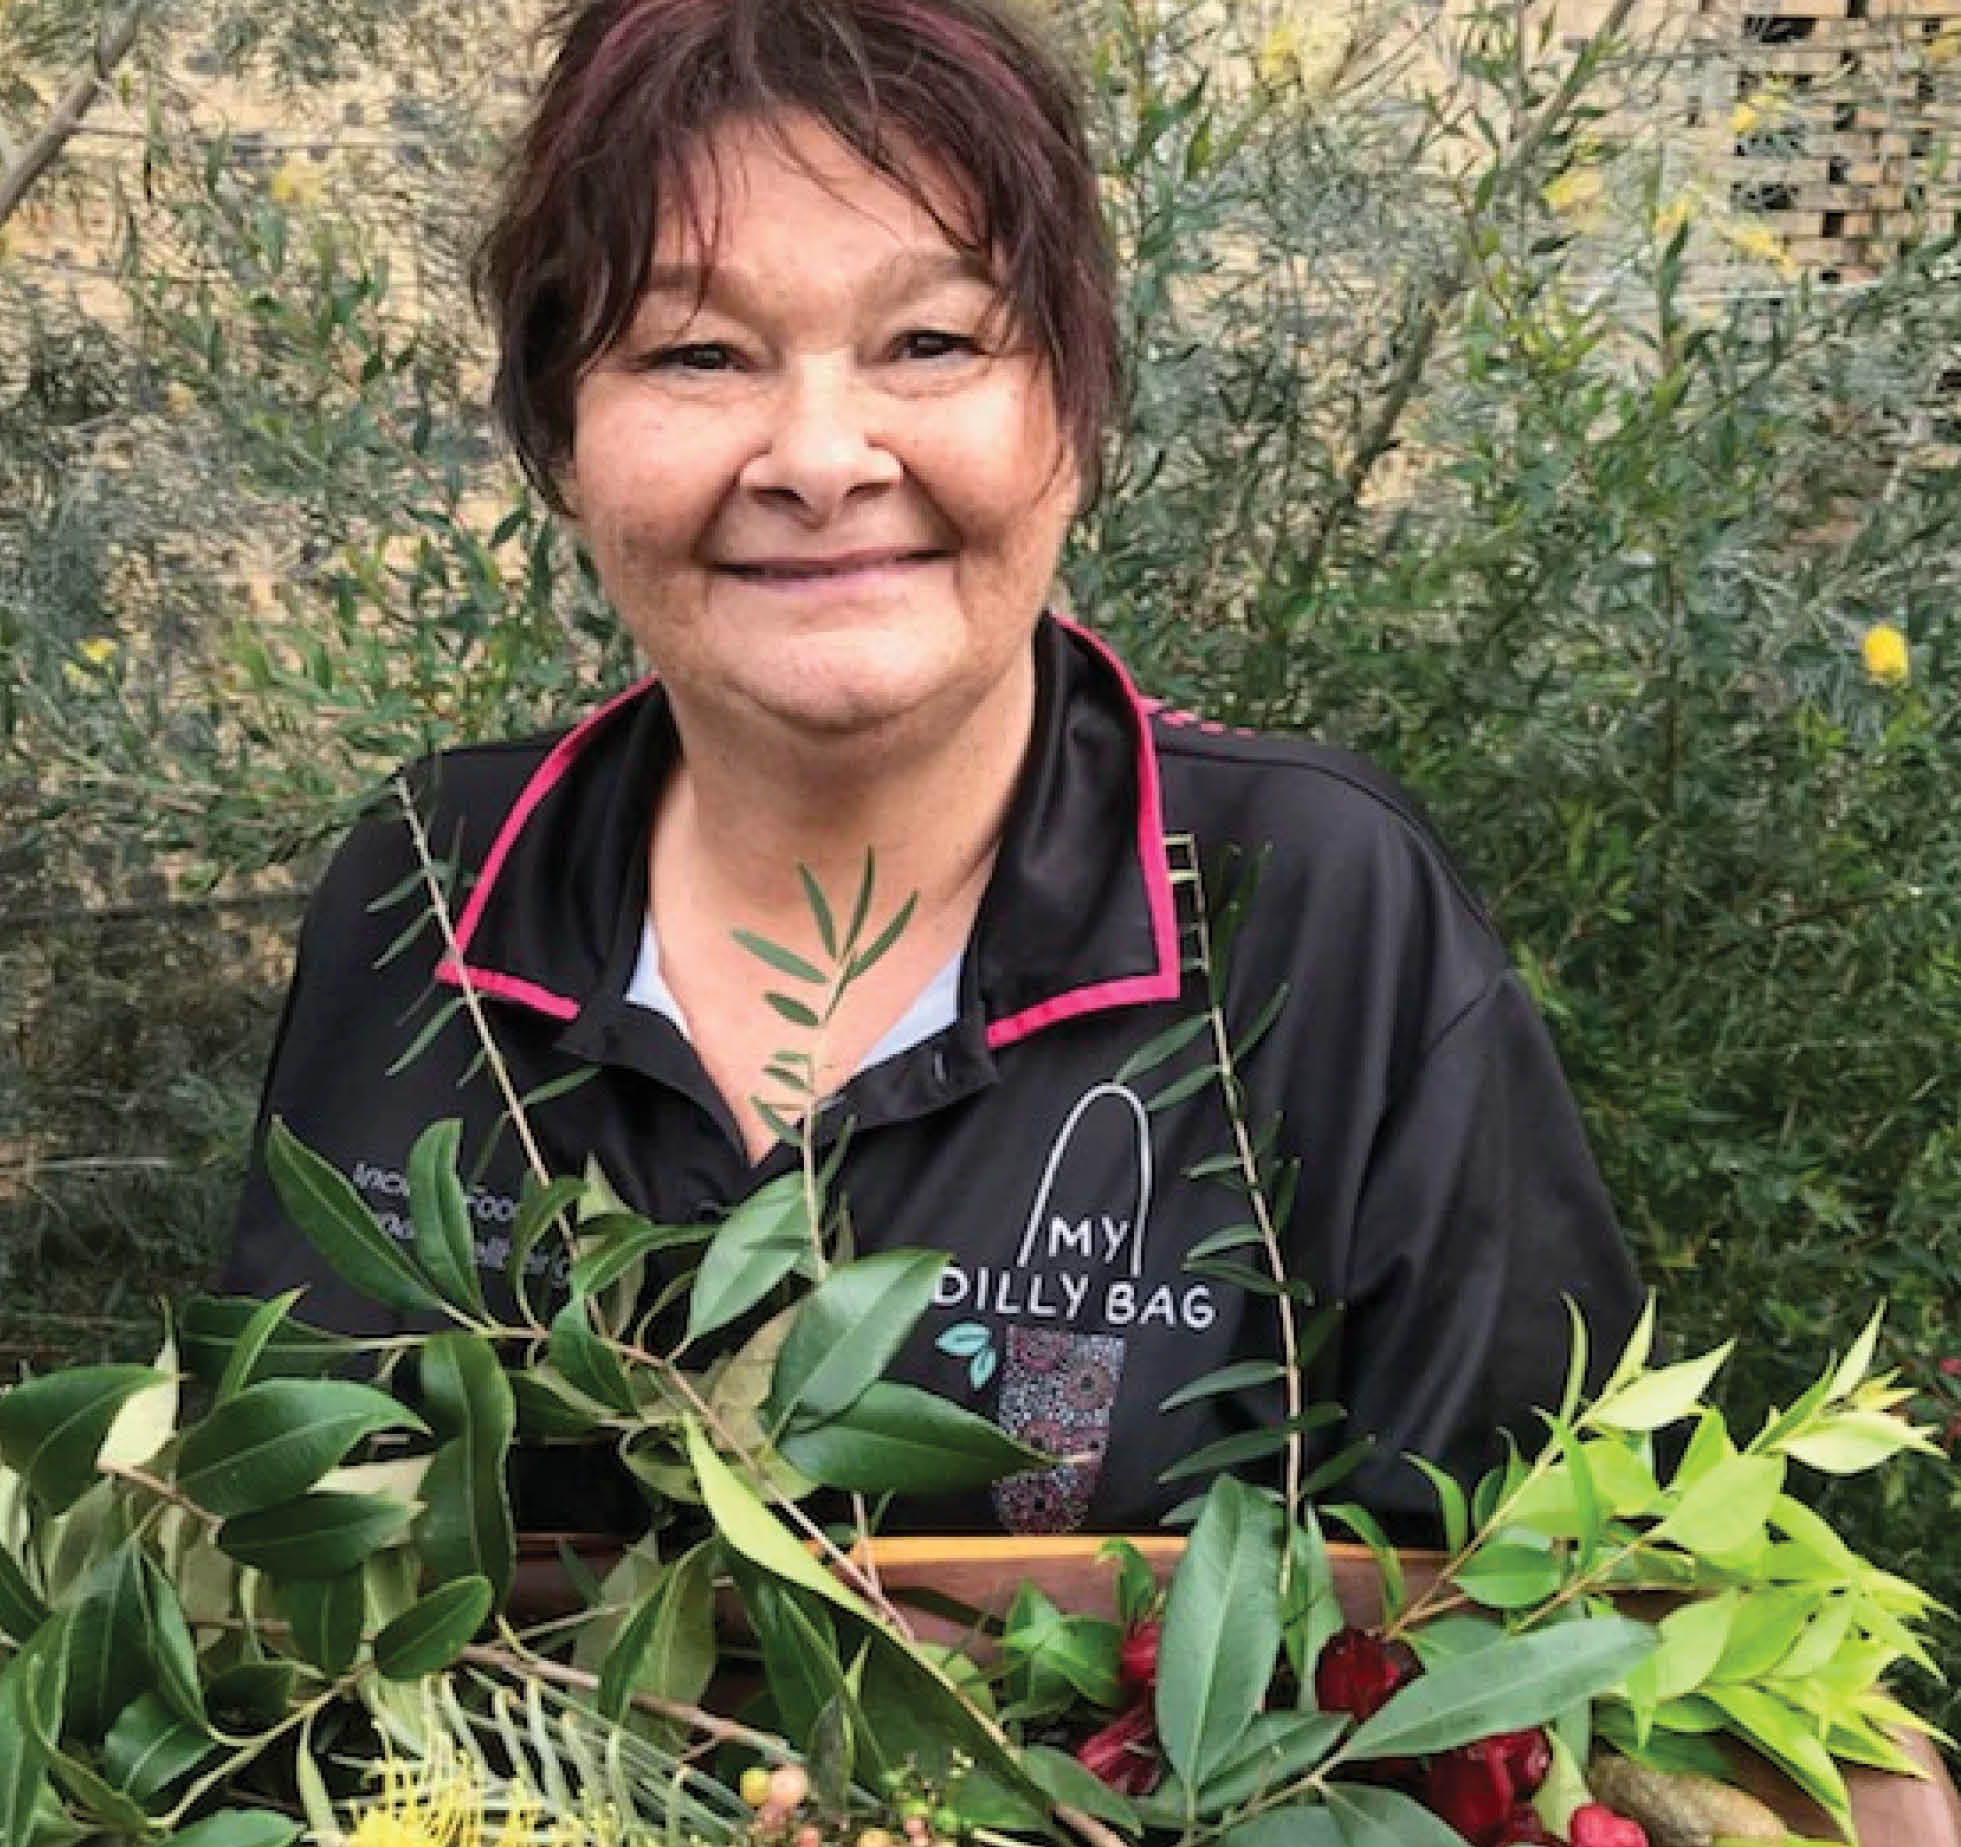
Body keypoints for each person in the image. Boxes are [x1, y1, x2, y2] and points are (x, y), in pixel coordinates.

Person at [218, 0, 1641, 1542]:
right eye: (697, 351)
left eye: (932, 341)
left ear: (1075, 413)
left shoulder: (1308, 918)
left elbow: (1531, 1626)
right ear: (563, 436)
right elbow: (276, 1544)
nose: (821, 458)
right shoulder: (429, 885)